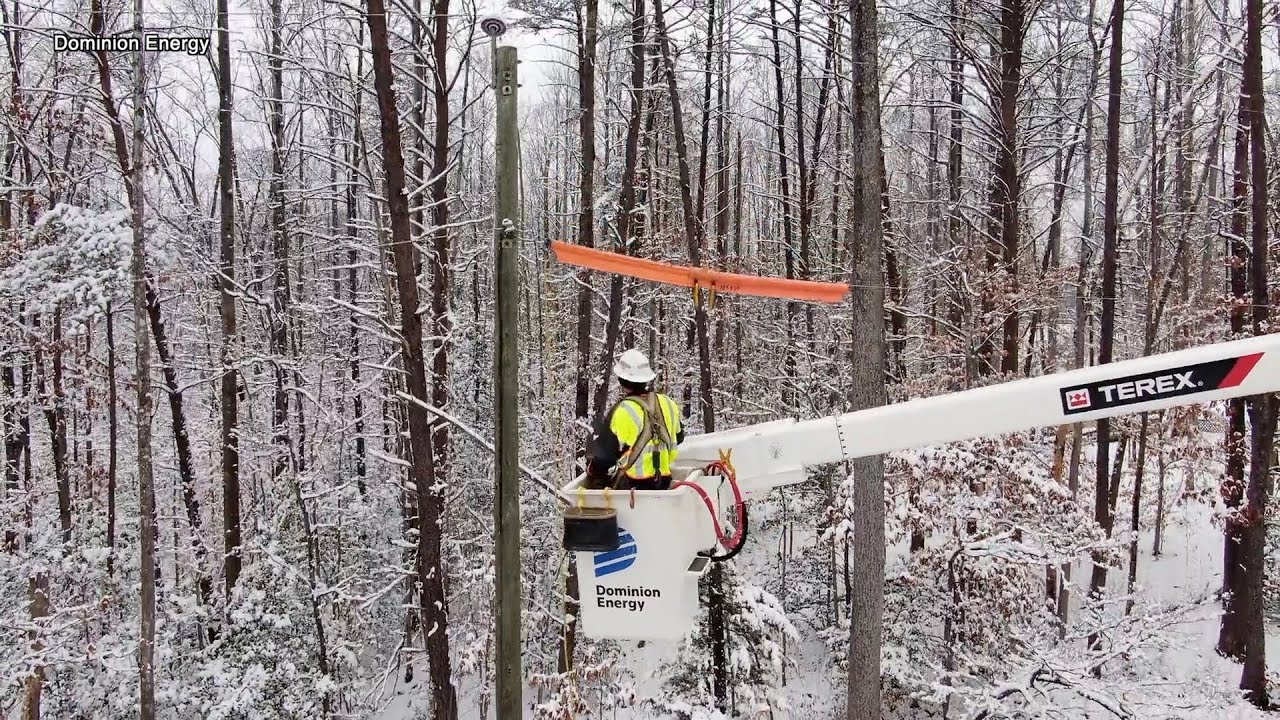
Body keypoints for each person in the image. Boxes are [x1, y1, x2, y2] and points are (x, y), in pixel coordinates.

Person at [585, 349, 684, 490]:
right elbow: (679, 437)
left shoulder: (622, 411)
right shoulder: (668, 403)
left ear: (621, 380)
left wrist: (593, 469)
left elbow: (605, 455)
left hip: (635, 484)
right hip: (664, 480)